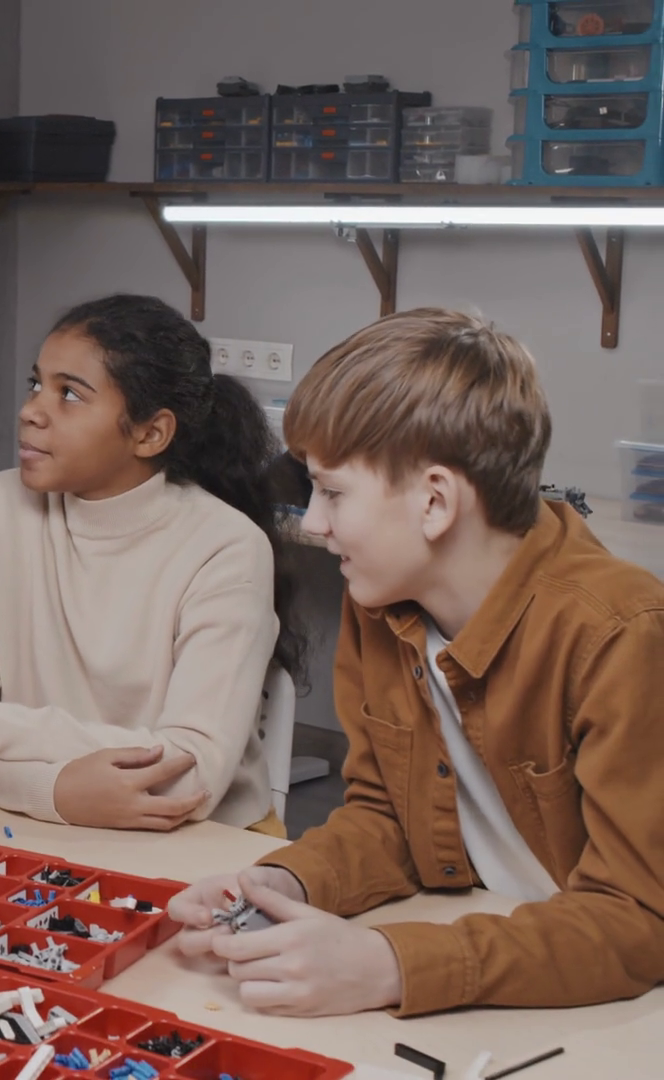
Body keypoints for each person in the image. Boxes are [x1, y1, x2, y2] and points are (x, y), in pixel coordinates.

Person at [168, 309, 664, 1017]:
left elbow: (638, 921)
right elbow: (390, 820)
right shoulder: (381, 600)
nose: (314, 522)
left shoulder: (620, 633)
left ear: (435, 501)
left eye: (333, 492)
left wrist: (392, 965)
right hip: (500, 960)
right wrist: (288, 883)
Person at [0, 295, 300, 833]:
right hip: (37, 825)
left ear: (150, 434)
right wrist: (55, 791)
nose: (31, 410)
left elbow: (188, 778)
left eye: (69, 394)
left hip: (207, 841)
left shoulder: (227, 547)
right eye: (35, 383)